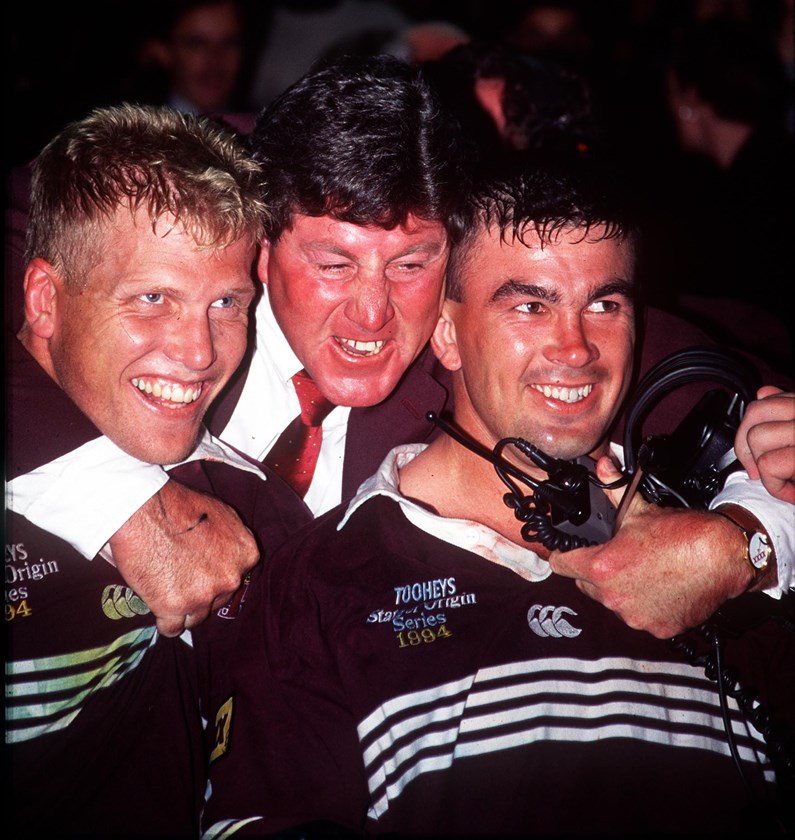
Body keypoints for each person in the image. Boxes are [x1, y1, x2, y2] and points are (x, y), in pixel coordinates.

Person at [5, 54, 793, 645]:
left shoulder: (481, 345)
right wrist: (107, 495)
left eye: (412, 264)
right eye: (332, 262)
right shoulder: (188, 268)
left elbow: (741, 389)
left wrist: (747, 542)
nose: (374, 313)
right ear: (258, 242)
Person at [200, 153, 794, 836]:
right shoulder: (315, 581)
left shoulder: (730, 526)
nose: (574, 348)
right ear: (446, 333)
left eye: (603, 305)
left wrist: (752, 544)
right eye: (529, 305)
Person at [4, 103, 312, 836]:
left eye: (227, 303)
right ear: (45, 300)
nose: (199, 352)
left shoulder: (254, 510)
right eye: (152, 298)